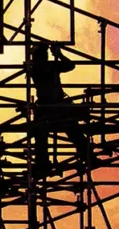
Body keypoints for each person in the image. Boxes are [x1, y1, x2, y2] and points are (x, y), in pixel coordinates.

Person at [29, 41, 92, 174]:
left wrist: (58, 55)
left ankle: (86, 153)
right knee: (45, 131)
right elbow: (69, 65)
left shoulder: (42, 67)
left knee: (71, 128)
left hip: (53, 106)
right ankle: (43, 162)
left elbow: (70, 65)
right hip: (48, 107)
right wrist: (58, 55)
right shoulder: (40, 68)